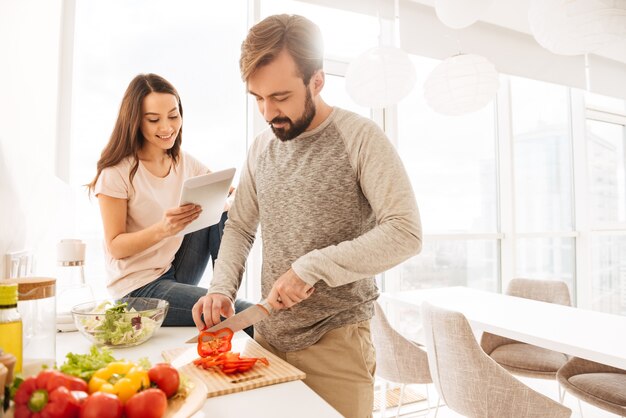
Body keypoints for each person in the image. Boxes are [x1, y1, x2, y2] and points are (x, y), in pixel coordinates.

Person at [192, 14, 422, 418]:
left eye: (280, 96)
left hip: (337, 345)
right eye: (257, 98)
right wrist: (222, 288)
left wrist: (313, 266)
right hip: (266, 337)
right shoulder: (261, 148)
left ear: (317, 80)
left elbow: (405, 232)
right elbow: (241, 226)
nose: (267, 111)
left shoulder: (360, 138)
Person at [87, 73, 253, 333]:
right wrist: (163, 229)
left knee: (218, 205)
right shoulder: (116, 172)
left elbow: (229, 195)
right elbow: (115, 247)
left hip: (175, 269)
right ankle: (223, 305)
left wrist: (225, 200)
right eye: (154, 120)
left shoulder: (183, 162)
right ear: (135, 121)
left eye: (173, 116)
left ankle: (223, 289)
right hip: (138, 291)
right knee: (247, 315)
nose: (166, 128)